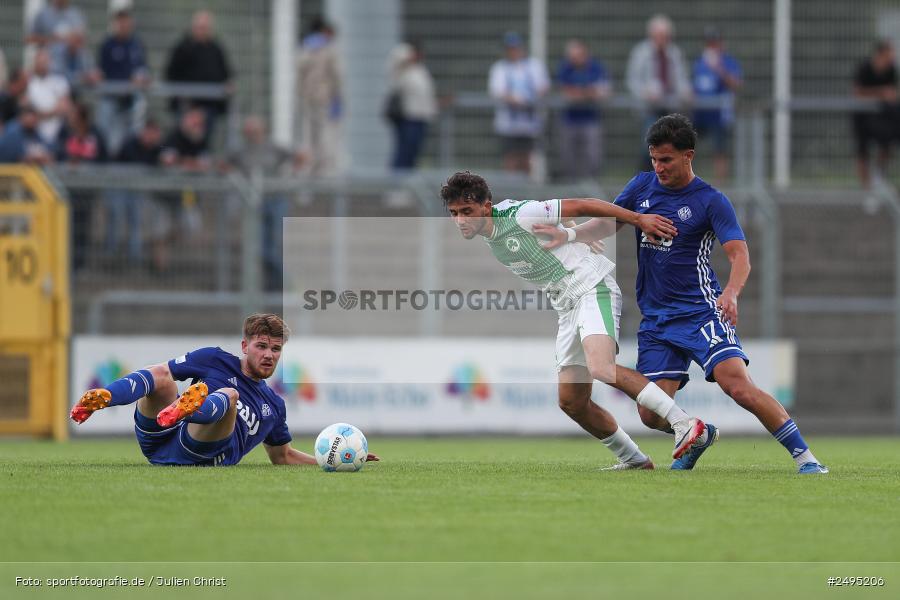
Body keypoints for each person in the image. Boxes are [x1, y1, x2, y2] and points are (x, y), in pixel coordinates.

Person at [537, 114, 828, 474]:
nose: (658, 167)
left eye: (666, 160)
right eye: (653, 159)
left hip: (701, 312)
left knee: (737, 386)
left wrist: (732, 293)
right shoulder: (642, 186)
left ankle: (806, 459)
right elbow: (608, 223)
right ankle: (696, 434)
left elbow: (740, 255)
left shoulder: (710, 200)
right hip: (657, 320)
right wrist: (568, 235)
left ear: (688, 155)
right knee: (649, 414)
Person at [441, 170, 711, 470]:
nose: (460, 220)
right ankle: (634, 460)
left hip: (591, 288)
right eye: (454, 213)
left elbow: (583, 204)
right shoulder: (493, 229)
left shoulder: (520, 216)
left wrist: (638, 219)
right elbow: (557, 214)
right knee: (572, 401)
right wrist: (569, 228)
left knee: (601, 367)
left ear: (486, 206)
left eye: (467, 211)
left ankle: (685, 423)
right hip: (567, 306)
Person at [71, 314, 379, 466]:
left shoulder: (273, 404)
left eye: (275, 349)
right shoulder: (214, 359)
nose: (269, 355)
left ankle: (188, 408)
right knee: (162, 376)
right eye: (261, 346)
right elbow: (162, 373)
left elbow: (282, 456)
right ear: (245, 346)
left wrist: (333, 460)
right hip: (159, 438)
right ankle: (106, 397)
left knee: (229, 396)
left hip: (200, 452)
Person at [626, 15, 692, 171]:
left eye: (665, 35)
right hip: (649, 109)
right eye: (659, 35)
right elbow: (632, 81)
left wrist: (686, 91)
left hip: (671, 109)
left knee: (671, 149)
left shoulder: (675, 53)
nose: (662, 39)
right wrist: (645, 92)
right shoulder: (641, 53)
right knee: (650, 147)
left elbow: (682, 79)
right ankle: (644, 179)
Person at [165, 10, 233, 143]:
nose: (203, 31)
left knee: (205, 141)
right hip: (186, 105)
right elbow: (171, 74)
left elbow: (226, 74)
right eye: (200, 27)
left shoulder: (216, 49)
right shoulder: (182, 48)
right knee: (183, 140)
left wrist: (228, 84)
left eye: (206, 27)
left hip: (210, 106)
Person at [488, 32, 550, 175]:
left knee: (528, 158)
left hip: (531, 124)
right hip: (508, 125)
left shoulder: (534, 66)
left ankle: (526, 187)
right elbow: (497, 91)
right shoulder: (500, 68)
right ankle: (511, 186)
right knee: (510, 158)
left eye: (515, 48)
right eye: (510, 48)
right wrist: (515, 99)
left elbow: (543, 87)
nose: (513, 52)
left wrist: (529, 99)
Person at [96, 7, 150, 156]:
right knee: (107, 138)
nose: (123, 25)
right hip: (111, 99)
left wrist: (141, 78)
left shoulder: (137, 45)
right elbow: (101, 71)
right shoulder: (108, 45)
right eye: (120, 22)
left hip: (131, 100)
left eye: (126, 22)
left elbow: (143, 69)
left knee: (132, 137)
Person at [556, 39, 611, 180]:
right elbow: (565, 93)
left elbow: (604, 92)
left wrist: (579, 93)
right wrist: (588, 92)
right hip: (569, 121)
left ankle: (591, 185)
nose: (575, 60)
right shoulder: (565, 68)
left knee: (593, 156)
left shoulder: (596, 68)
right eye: (572, 57)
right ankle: (571, 186)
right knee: (568, 157)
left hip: (591, 120)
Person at [691, 27, 742, 182]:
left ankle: (721, 185)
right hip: (700, 113)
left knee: (720, 149)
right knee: (687, 145)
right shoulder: (699, 63)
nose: (712, 47)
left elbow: (736, 84)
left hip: (719, 114)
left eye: (715, 43)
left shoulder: (728, 62)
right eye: (709, 44)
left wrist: (719, 69)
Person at [296, 17, 342, 176]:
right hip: (321, 97)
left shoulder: (307, 47)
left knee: (314, 134)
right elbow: (336, 75)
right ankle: (318, 167)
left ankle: (316, 167)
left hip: (312, 97)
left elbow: (300, 72)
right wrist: (337, 95)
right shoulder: (325, 49)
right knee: (320, 133)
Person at [853, 40, 900, 188]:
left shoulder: (891, 70)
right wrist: (881, 93)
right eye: (889, 55)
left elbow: (892, 93)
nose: (891, 58)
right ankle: (865, 187)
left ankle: (879, 179)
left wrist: (890, 96)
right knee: (862, 151)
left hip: (883, 116)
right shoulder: (865, 68)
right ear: (880, 55)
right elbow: (858, 93)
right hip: (862, 116)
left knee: (887, 144)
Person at [386, 41, 437, 171]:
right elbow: (395, 58)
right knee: (404, 151)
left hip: (421, 117)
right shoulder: (402, 69)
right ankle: (396, 180)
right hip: (407, 117)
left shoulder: (420, 70)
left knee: (413, 152)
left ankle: (407, 179)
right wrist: (408, 55)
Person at [26, 48, 71, 146]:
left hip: (58, 132)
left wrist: (40, 114)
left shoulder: (60, 81)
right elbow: (28, 111)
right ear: (35, 63)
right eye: (40, 62)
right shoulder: (29, 83)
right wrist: (53, 111)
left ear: (50, 62)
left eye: (45, 62)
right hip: (35, 134)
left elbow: (64, 108)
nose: (42, 65)